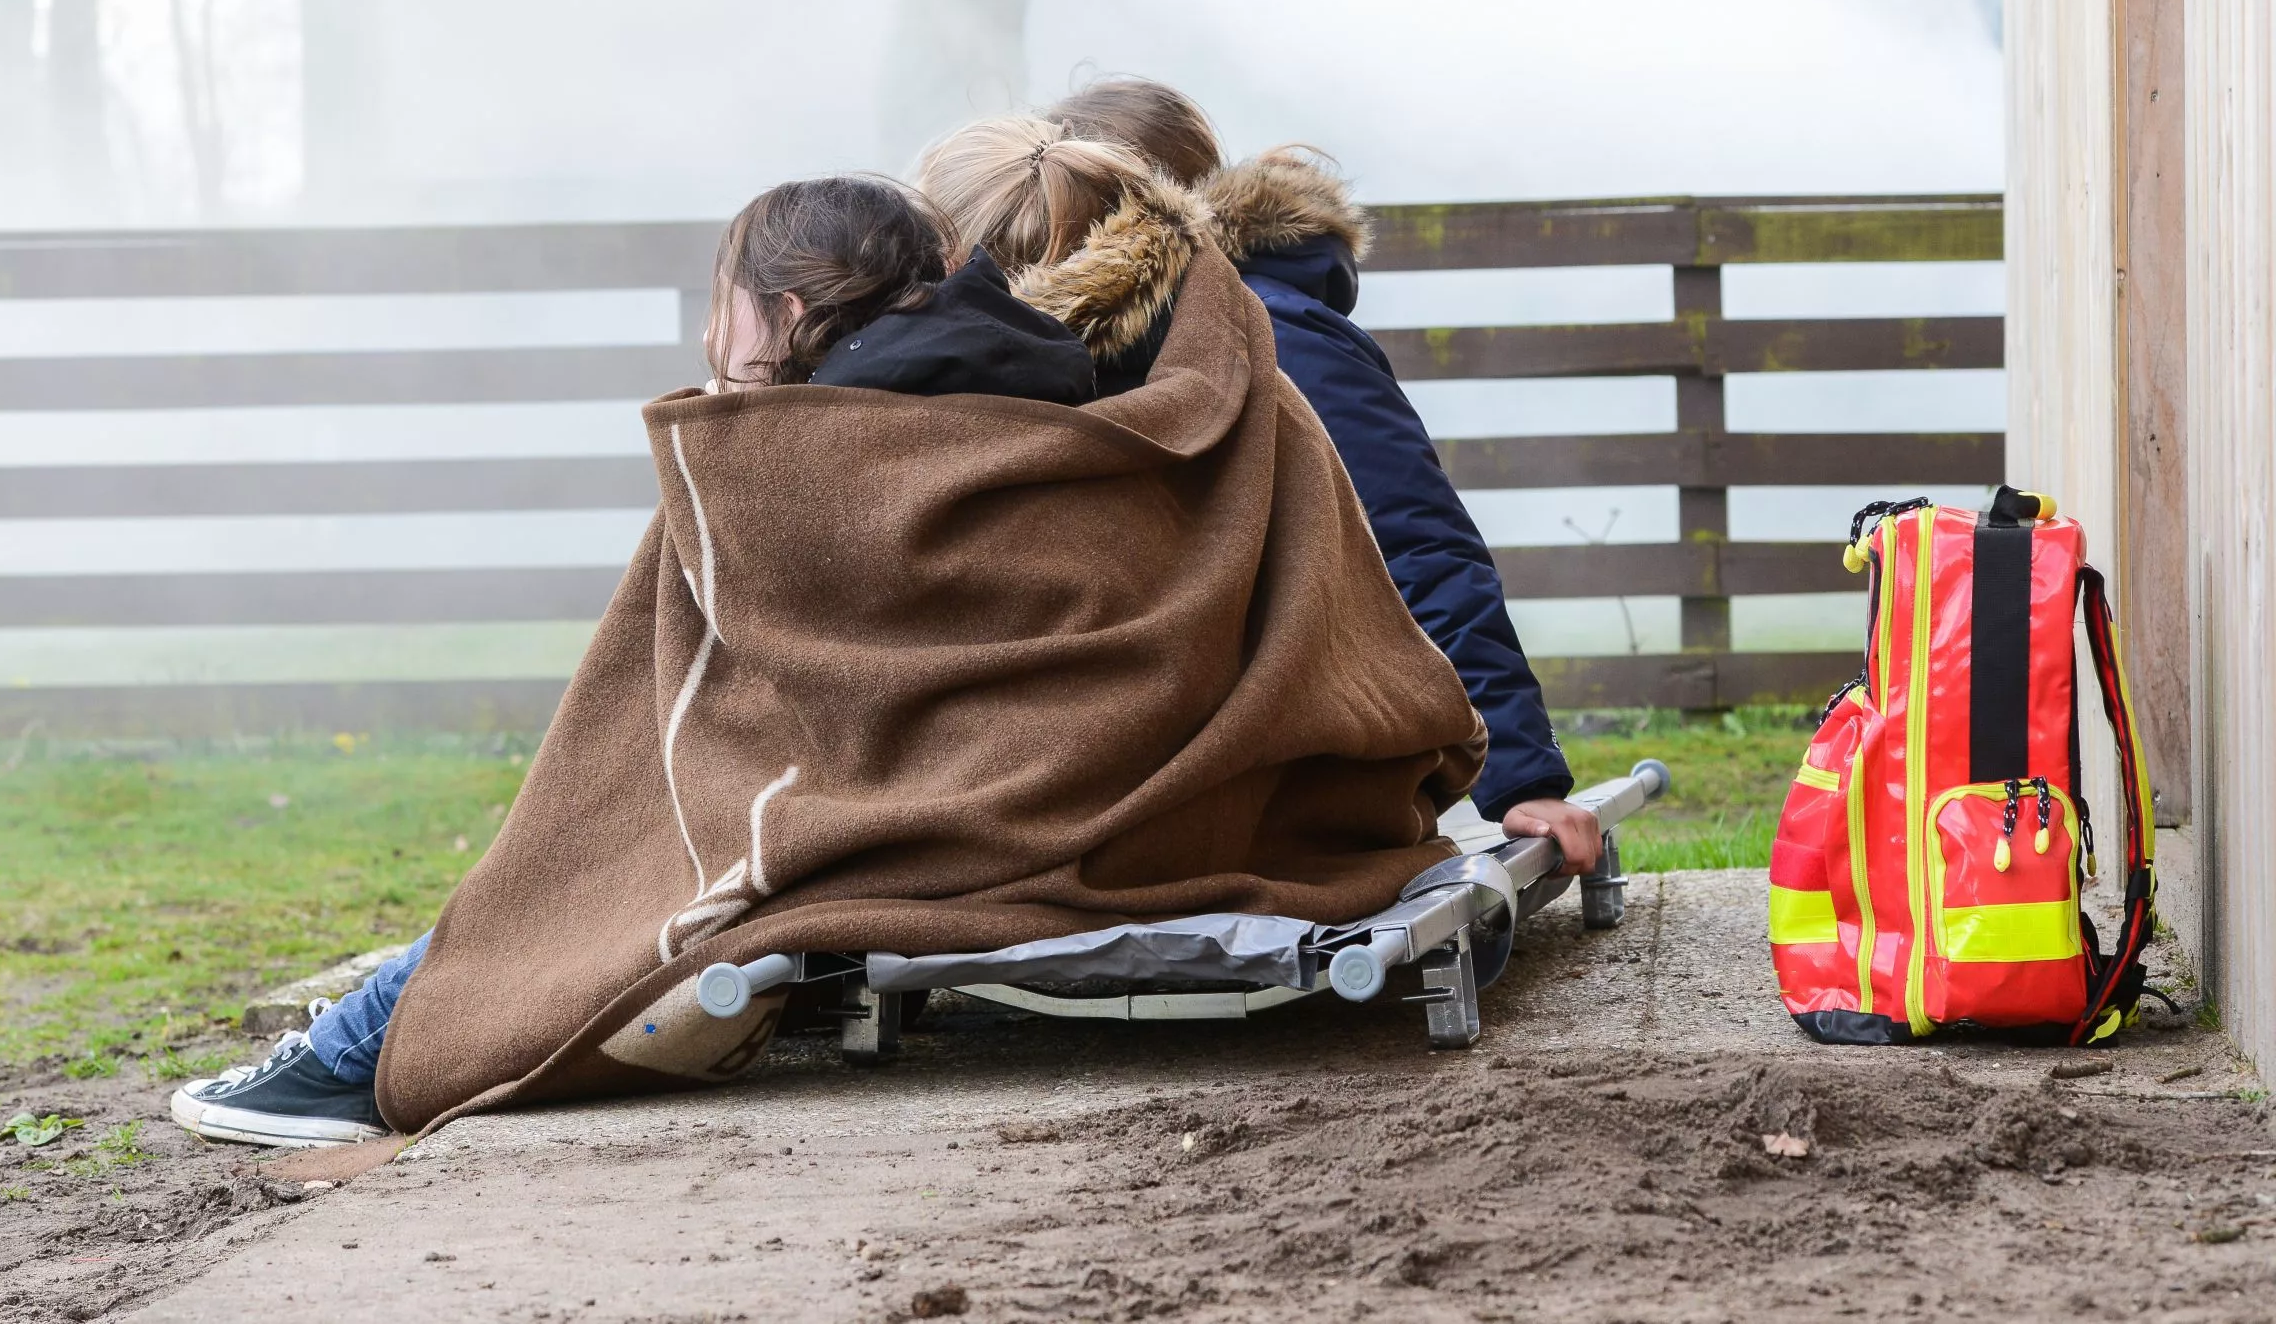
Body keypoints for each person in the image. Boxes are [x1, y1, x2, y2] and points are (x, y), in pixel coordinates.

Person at [170, 176, 1096, 1148]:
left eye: (723, 305)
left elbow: (735, 699)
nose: (711, 340)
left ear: (782, 312)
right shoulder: (1040, 389)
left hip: (894, 816)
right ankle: (359, 1031)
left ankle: (358, 1050)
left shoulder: (803, 453)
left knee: (590, 847)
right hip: (1034, 788)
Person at [920, 89, 1600, 873]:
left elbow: (1413, 541)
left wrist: (1520, 774)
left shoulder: (1272, 334)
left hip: (1263, 752)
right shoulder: (1021, 353)